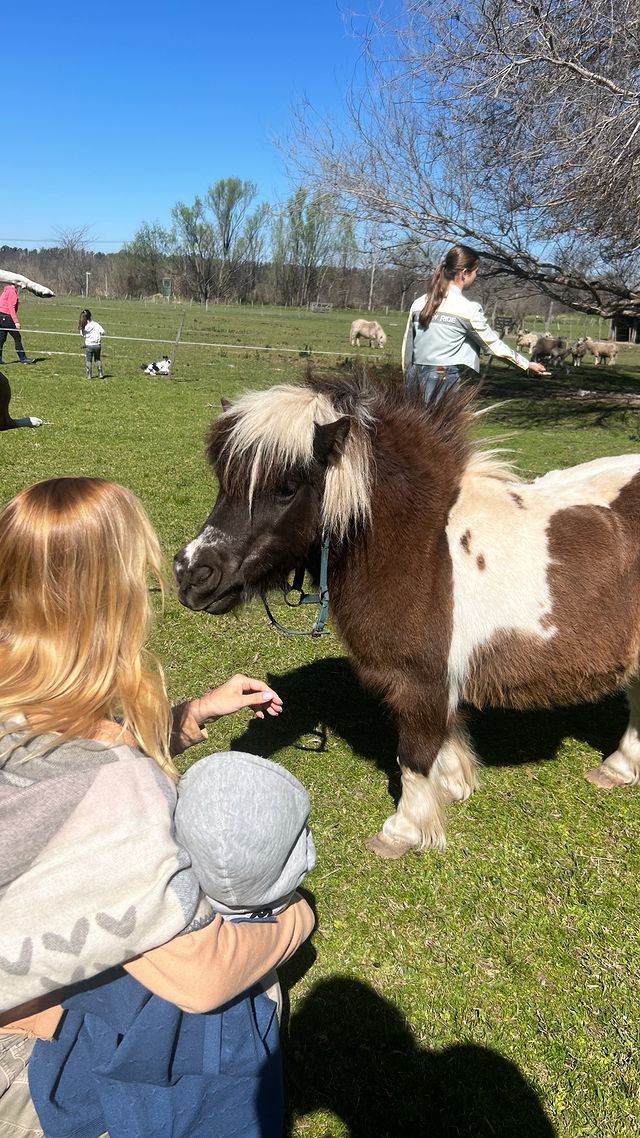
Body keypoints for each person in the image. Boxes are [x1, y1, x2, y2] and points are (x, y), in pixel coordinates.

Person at [0, 476, 315, 1138]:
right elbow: (199, 975)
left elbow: (57, 761)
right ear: (112, 605)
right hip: (20, 1062)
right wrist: (295, 919)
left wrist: (191, 715)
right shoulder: (116, 799)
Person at [28, 751, 316, 1138]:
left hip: (82, 1090)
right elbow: (208, 995)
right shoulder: (223, 1001)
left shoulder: (116, 908)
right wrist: (295, 915)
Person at [401, 244, 549, 400]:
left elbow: (407, 348)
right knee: (442, 425)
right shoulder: (467, 309)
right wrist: (526, 365)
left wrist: (407, 376)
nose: (476, 276)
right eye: (476, 272)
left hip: (414, 377)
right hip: (442, 379)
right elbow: (493, 346)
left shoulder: (418, 303)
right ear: (465, 273)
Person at [0, 284, 36, 365]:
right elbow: (11, 307)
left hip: (1, 317)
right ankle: (23, 358)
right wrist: (16, 322)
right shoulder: (12, 291)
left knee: (1, 339)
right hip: (7, 317)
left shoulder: (5, 291)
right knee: (17, 337)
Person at [79, 310, 105, 379]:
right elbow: (103, 332)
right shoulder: (96, 324)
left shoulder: (83, 326)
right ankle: (100, 373)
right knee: (97, 359)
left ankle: (89, 375)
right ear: (90, 316)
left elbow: (82, 335)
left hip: (89, 346)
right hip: (97, 345)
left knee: (88, 360)